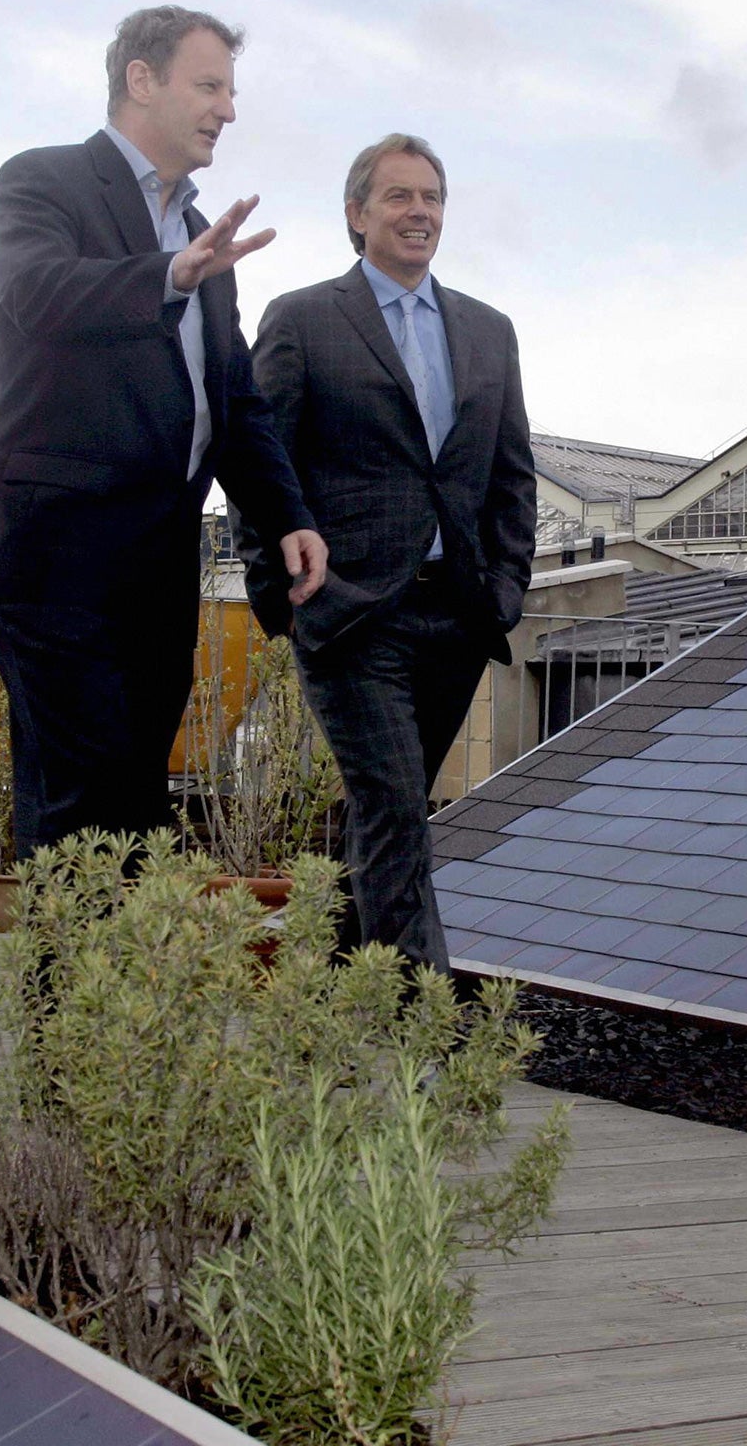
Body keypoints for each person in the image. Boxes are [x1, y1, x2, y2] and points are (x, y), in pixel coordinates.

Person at [0, 6, 328, 858]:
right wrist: (168, 273)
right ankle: (69, 995)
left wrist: (288, 515)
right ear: (141, 81)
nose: (228, 110)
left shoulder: (205, 239)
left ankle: (113, 992)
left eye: (230, 91)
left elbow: (231, 398)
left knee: (130, 811)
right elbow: (41, 293)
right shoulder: (43, 182)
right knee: (79, 807)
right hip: (55, 557)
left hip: (157, 567)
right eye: (209, 85)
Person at [237, 134, 537, 972]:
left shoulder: (487, 330)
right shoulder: (302, 319)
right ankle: (421, 1020)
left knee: (388, 810)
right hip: (350, 613)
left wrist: (505, 587)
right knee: (397, 806)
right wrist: (283, 593)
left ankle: (330, 986)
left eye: (432, 197)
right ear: (356, 213)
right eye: (399, 197)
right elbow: (260, 461)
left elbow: (512, 471)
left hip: (455, 612)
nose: (420, 213)